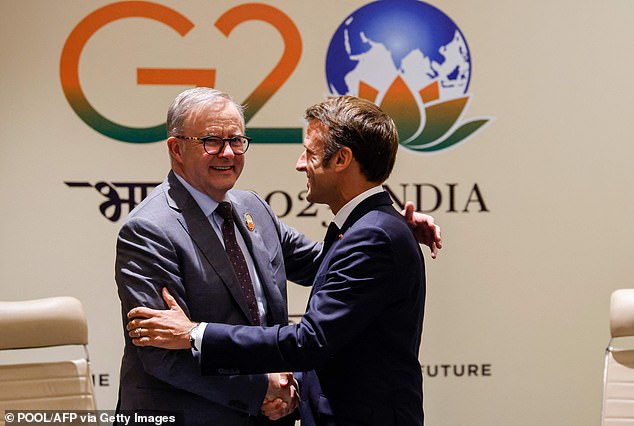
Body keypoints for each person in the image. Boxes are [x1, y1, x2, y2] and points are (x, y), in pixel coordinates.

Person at [116, 89, 440, 425]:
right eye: (211, 141)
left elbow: (328, 267)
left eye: (237, 140)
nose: (227, 153)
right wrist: (261, 389)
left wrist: (386, 227)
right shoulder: (149, 229)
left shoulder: (252, 208)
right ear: (176, 148)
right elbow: (160, 351)